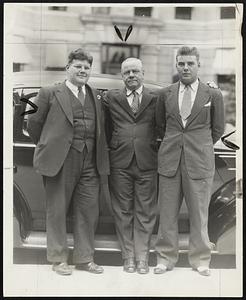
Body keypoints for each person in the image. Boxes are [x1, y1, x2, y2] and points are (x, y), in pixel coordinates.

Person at [27, 48, 109, 275]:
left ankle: (84, 258)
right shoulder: (49, 92)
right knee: (57, 210)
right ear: (67, 68)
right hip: (60, 161)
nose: (83, 70)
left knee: (88, 211)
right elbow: (33, 125)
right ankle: (58, 259)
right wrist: (50, 147)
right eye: (78, 66)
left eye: (86, 67)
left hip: (90, 161)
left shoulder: (94, 95)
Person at [154, 46, 225, 276]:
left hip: (199, 162)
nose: (185, 67)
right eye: (181, 63)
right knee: (167, 214)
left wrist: (199, 146)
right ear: (176, 65)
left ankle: (201, 259)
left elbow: (217, 129)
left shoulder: (212, 94)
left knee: (199, 214)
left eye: (190, 63)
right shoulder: (165, 94)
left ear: (198, 65)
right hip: (170, 161)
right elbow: (159, 127)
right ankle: (165, 258)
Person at [104, 58, 158, 274]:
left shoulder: (156, 98)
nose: (131, 75)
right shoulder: (111, 97)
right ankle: (128, 258)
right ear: (122, 76)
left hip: (148, 161)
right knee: (123, 211)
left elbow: (162, 125)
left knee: (145, 212)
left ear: (143, 73)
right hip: (120, 162)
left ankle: (142, 258)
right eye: (127, 72)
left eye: (135, 71)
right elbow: (106, 127)